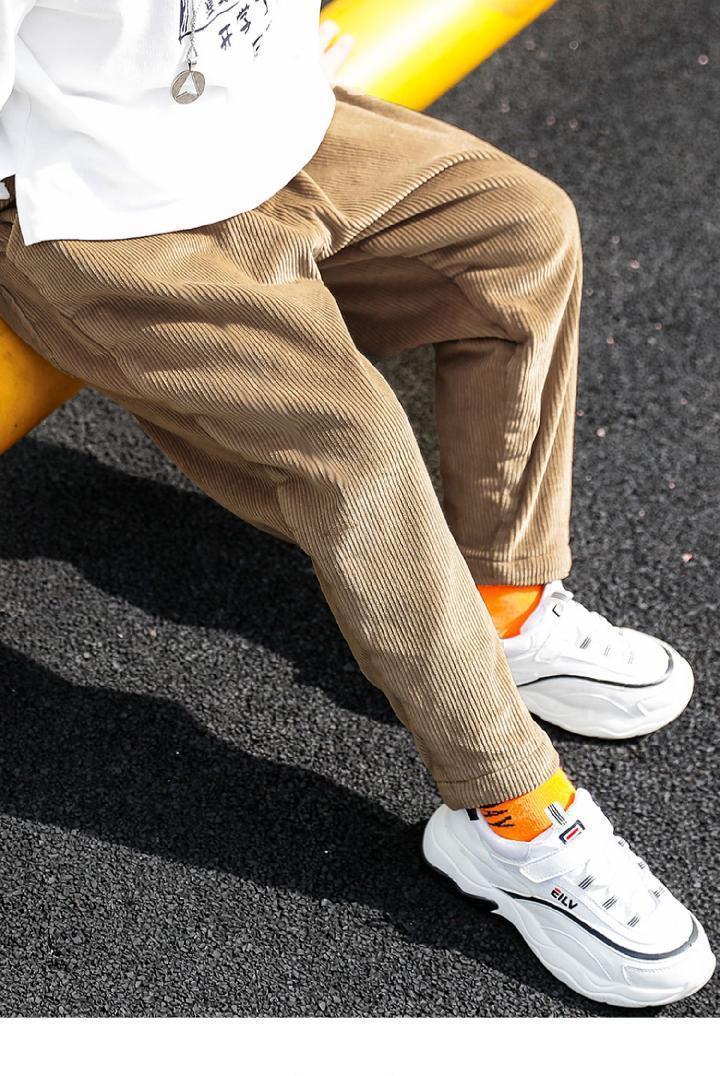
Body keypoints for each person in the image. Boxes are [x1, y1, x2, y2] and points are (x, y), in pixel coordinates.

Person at [0, 0, 713, 1009]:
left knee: (520, 234)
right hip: (94, 210)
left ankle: (500, 606)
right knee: (353, 443)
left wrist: (278, 43)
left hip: (263, 124)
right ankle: (509, 818)